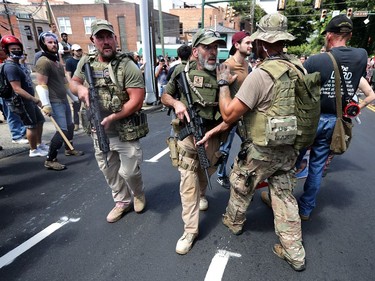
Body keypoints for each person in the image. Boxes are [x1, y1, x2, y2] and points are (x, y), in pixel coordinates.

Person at [217, 13, 306, 271]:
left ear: (263, 44)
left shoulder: (260, 75)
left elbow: (228, 113)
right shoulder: (299, 68)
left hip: (262, 150)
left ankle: (234, 223)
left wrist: (224, 83)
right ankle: (295, 253)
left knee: (241, 184)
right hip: (290, 148)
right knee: (284, 194)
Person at [268, 14, 375, 221]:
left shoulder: (316, 60)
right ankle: (305, 209)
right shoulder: (361, 56)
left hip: (312, 120)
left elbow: (298, 90)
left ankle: (283, 201)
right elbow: (360, 84)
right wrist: (357, 106)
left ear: (328, 36)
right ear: (350, 35)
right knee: (316, 166)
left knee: (291, 162)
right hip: (336, 121)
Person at [161, 29, 236, 255]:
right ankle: (190, 230)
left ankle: (202, 193)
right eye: (207, 47)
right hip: (188, 135)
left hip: (213, 135)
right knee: (188, 182)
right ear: (195, 51)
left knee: (207, 171)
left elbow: (235, 109)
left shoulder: (225, 74)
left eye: (215, 47)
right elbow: (165, 95)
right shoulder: (181, 72)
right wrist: (176, 104)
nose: (213, 52)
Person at [69, 19, 148, 223]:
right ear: (93, 40)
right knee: (109, 170)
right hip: (99, 131)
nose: (105, 42)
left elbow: (137, 99)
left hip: (124, 130)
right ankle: (122, 201)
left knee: (129, 172)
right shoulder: (86, 62)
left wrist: (113, 116)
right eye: (100, 37)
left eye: (108, 37)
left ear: (115, 39)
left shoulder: (127, 65)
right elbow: (74, 82)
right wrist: (80, 89)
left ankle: (138, 193)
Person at [35, 31, 84, 171]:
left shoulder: (55, 61)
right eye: (50, 42)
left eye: (55, 42)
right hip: (54, 102)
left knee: (69, 126)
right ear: (43, 45)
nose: (54, 44)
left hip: (63, 99)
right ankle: (50, 159)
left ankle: (69, 149)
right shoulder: (43, 62)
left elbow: (64, 83)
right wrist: (46, 105)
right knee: (61, 130)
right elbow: (41, 85)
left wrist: (74, 97)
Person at [1, 35, 47, 157]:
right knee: (31, 125)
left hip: (29, 100)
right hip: (22, 101)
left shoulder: (18, 65)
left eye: (18, 48)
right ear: (6, 51)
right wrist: (34, 99)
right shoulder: (10, 67)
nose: (17, 51)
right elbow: (17, 88)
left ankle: (39, 144)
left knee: (40, 121)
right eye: (13, 49)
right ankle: (33, 150)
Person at [217, 31, 252, 188]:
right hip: (230, 115)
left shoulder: (247, 65)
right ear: (237, 45)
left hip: (244, 115)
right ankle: (220, 174)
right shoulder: (226, 65)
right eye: (247, 43)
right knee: (225, 148)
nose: (251, 46)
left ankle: (236, 170)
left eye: (251, 43)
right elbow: (219, 91)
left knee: (249, 145)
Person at [65, 44, 83, 131]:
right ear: (73, 51)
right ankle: (76, 124)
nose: (79, 52)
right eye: (77, 50)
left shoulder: (84, 60)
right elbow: (68, 74)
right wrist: (71, 85)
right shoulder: (69, 61)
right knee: (76, 106)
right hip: (75, 86)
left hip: (84, 85)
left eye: (80, 50)